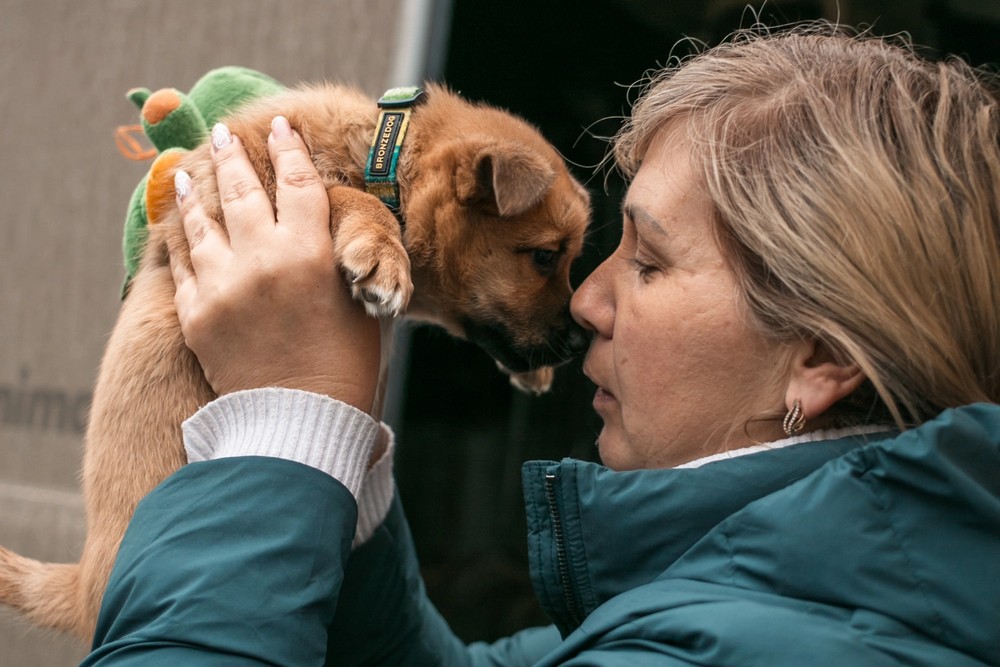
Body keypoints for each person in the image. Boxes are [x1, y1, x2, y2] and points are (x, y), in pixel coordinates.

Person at [82, 24, 1000, 666]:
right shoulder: (776, 599)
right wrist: (335, 461)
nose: (588, 301)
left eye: (646, 261)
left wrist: (281, 424)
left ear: (819, 357)